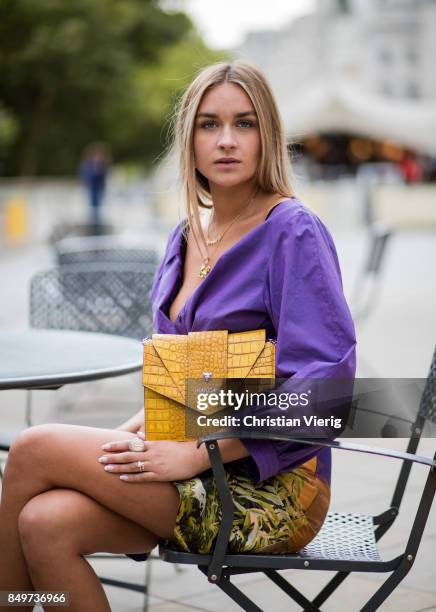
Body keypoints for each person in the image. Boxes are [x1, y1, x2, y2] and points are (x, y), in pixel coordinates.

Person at [0, 61, 356, 611]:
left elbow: (327, 391)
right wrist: (129, 436)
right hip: (187, 461)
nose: (227, 141)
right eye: (209, 125)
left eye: (245, 123)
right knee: (44, 522)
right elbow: (178, 382)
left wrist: (201, 451)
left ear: (270, 136)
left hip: (273, 486)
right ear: (188, 138)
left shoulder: (292, 231)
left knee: (29, 447)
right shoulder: (185, 236)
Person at [79, 143, 110, 228]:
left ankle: (97, 224)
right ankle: (94, 224)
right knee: (92, 208)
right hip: (92, 189)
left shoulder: (100, 163)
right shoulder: (88, 164)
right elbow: (88, 176)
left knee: (98, 208)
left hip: (99, 188)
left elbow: (103, 175)